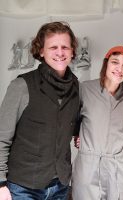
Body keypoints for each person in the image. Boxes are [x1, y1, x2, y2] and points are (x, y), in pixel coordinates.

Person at [0, 21, 80, 200]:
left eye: (65, 47)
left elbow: (72, 125)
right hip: (23, 188)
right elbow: (2, 137)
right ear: (41, 51)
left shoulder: (76, 87)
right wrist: (0, 183)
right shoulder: (21, 86)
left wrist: (80, 134)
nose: (60, 53)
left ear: (72, 51)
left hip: (60, 185)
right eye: (53, 47)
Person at [72, 46, 123, 200]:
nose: (120, 69)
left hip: (119, 168)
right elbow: (72, 119)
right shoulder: (85, 89)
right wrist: (77, 134)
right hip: (89, 167)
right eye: (115, 62)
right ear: (106, 63)